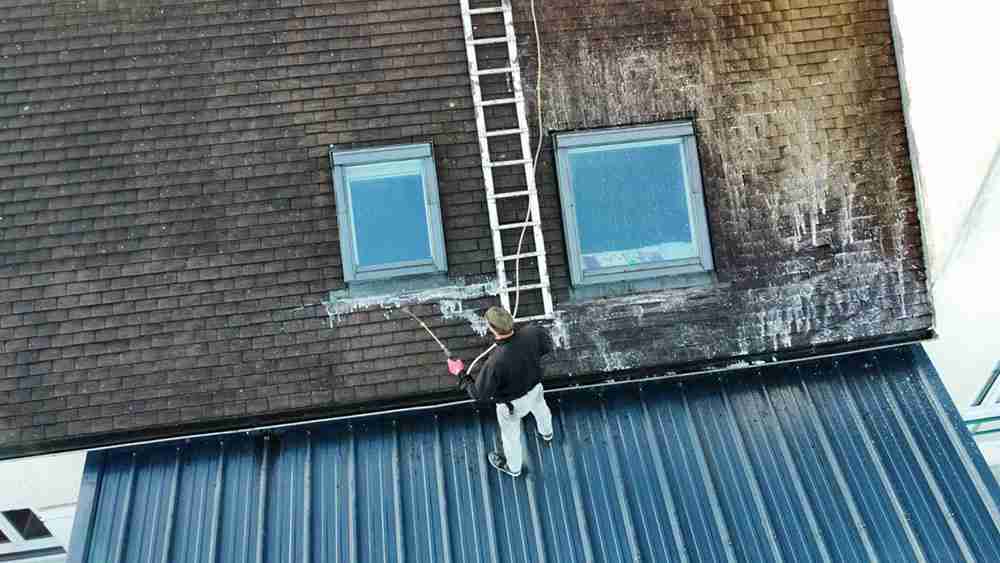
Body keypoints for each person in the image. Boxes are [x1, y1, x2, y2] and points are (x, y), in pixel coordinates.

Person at [457, 306, 554, 477]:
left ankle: (514, 468)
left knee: (511, 437)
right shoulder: (533, 332)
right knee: (541, 409)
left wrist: (461, 374)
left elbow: (479, 394)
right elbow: (547, 347)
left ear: (492, 328)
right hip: (536, 388)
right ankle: (547, 433)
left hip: (513, 405)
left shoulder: (495, 362)